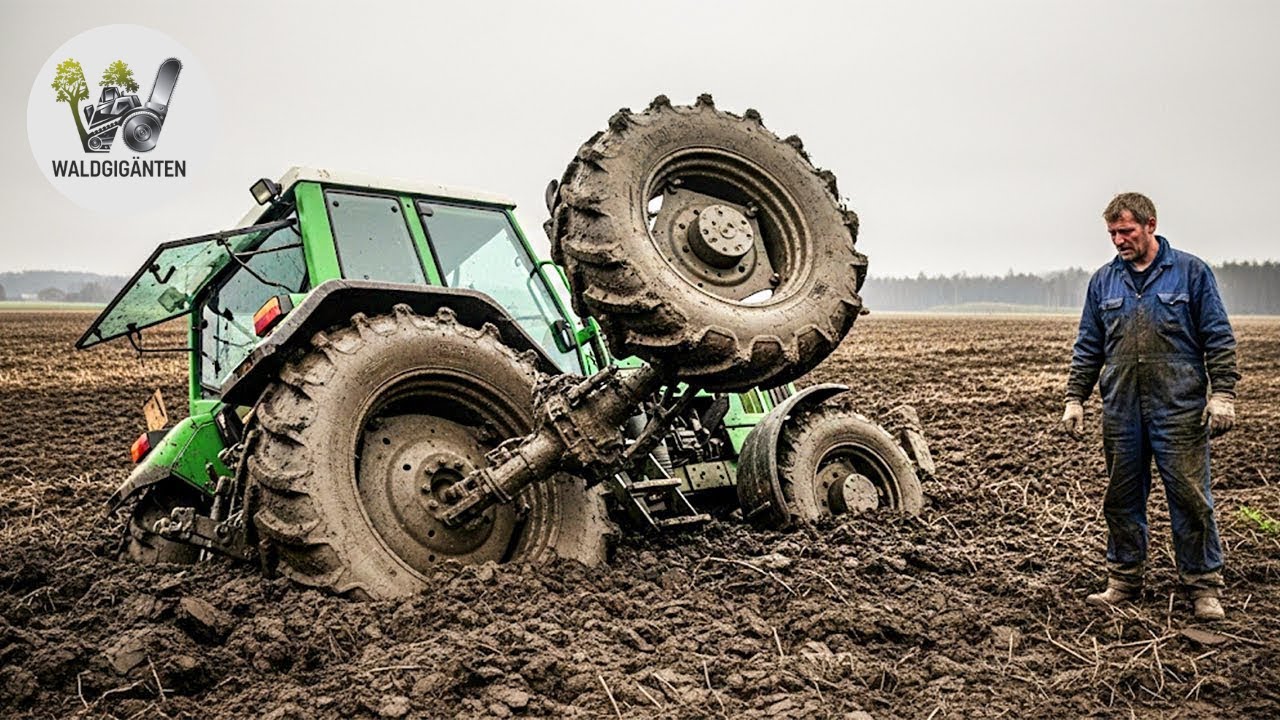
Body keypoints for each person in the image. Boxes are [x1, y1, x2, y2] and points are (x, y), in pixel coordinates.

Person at [1060, 192, 1238, 621]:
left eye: (1126, 231)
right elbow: (1089, 345)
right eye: (1113, 233)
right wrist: (1074, 398)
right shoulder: (1104, 281)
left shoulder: (1191, 273)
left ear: (1150, 224)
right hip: (1122, 408)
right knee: (1121, 498)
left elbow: (1217, 336)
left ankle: (1202, 587)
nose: (1119, 240)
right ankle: (1123, 580)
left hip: (1178, 407)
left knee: (1191, 498)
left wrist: (1223, 395)